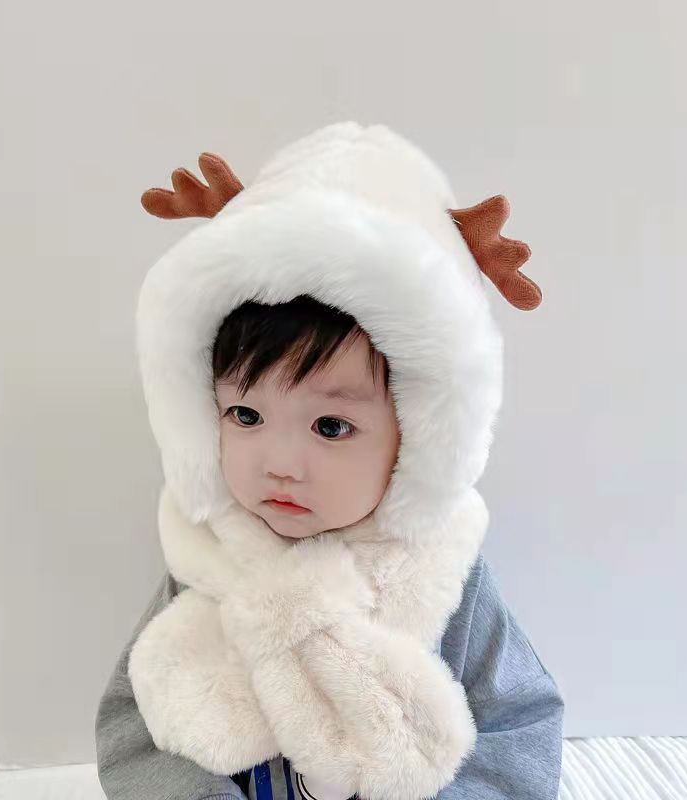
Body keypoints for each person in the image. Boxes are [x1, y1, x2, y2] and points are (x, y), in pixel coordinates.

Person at [95, 122, 564, 800]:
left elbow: (521, 728)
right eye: (246, 416)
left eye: (331, 426)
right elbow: (134, 725)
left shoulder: (443, 569)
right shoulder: (209, 553)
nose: (282, 463)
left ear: (416, 437)